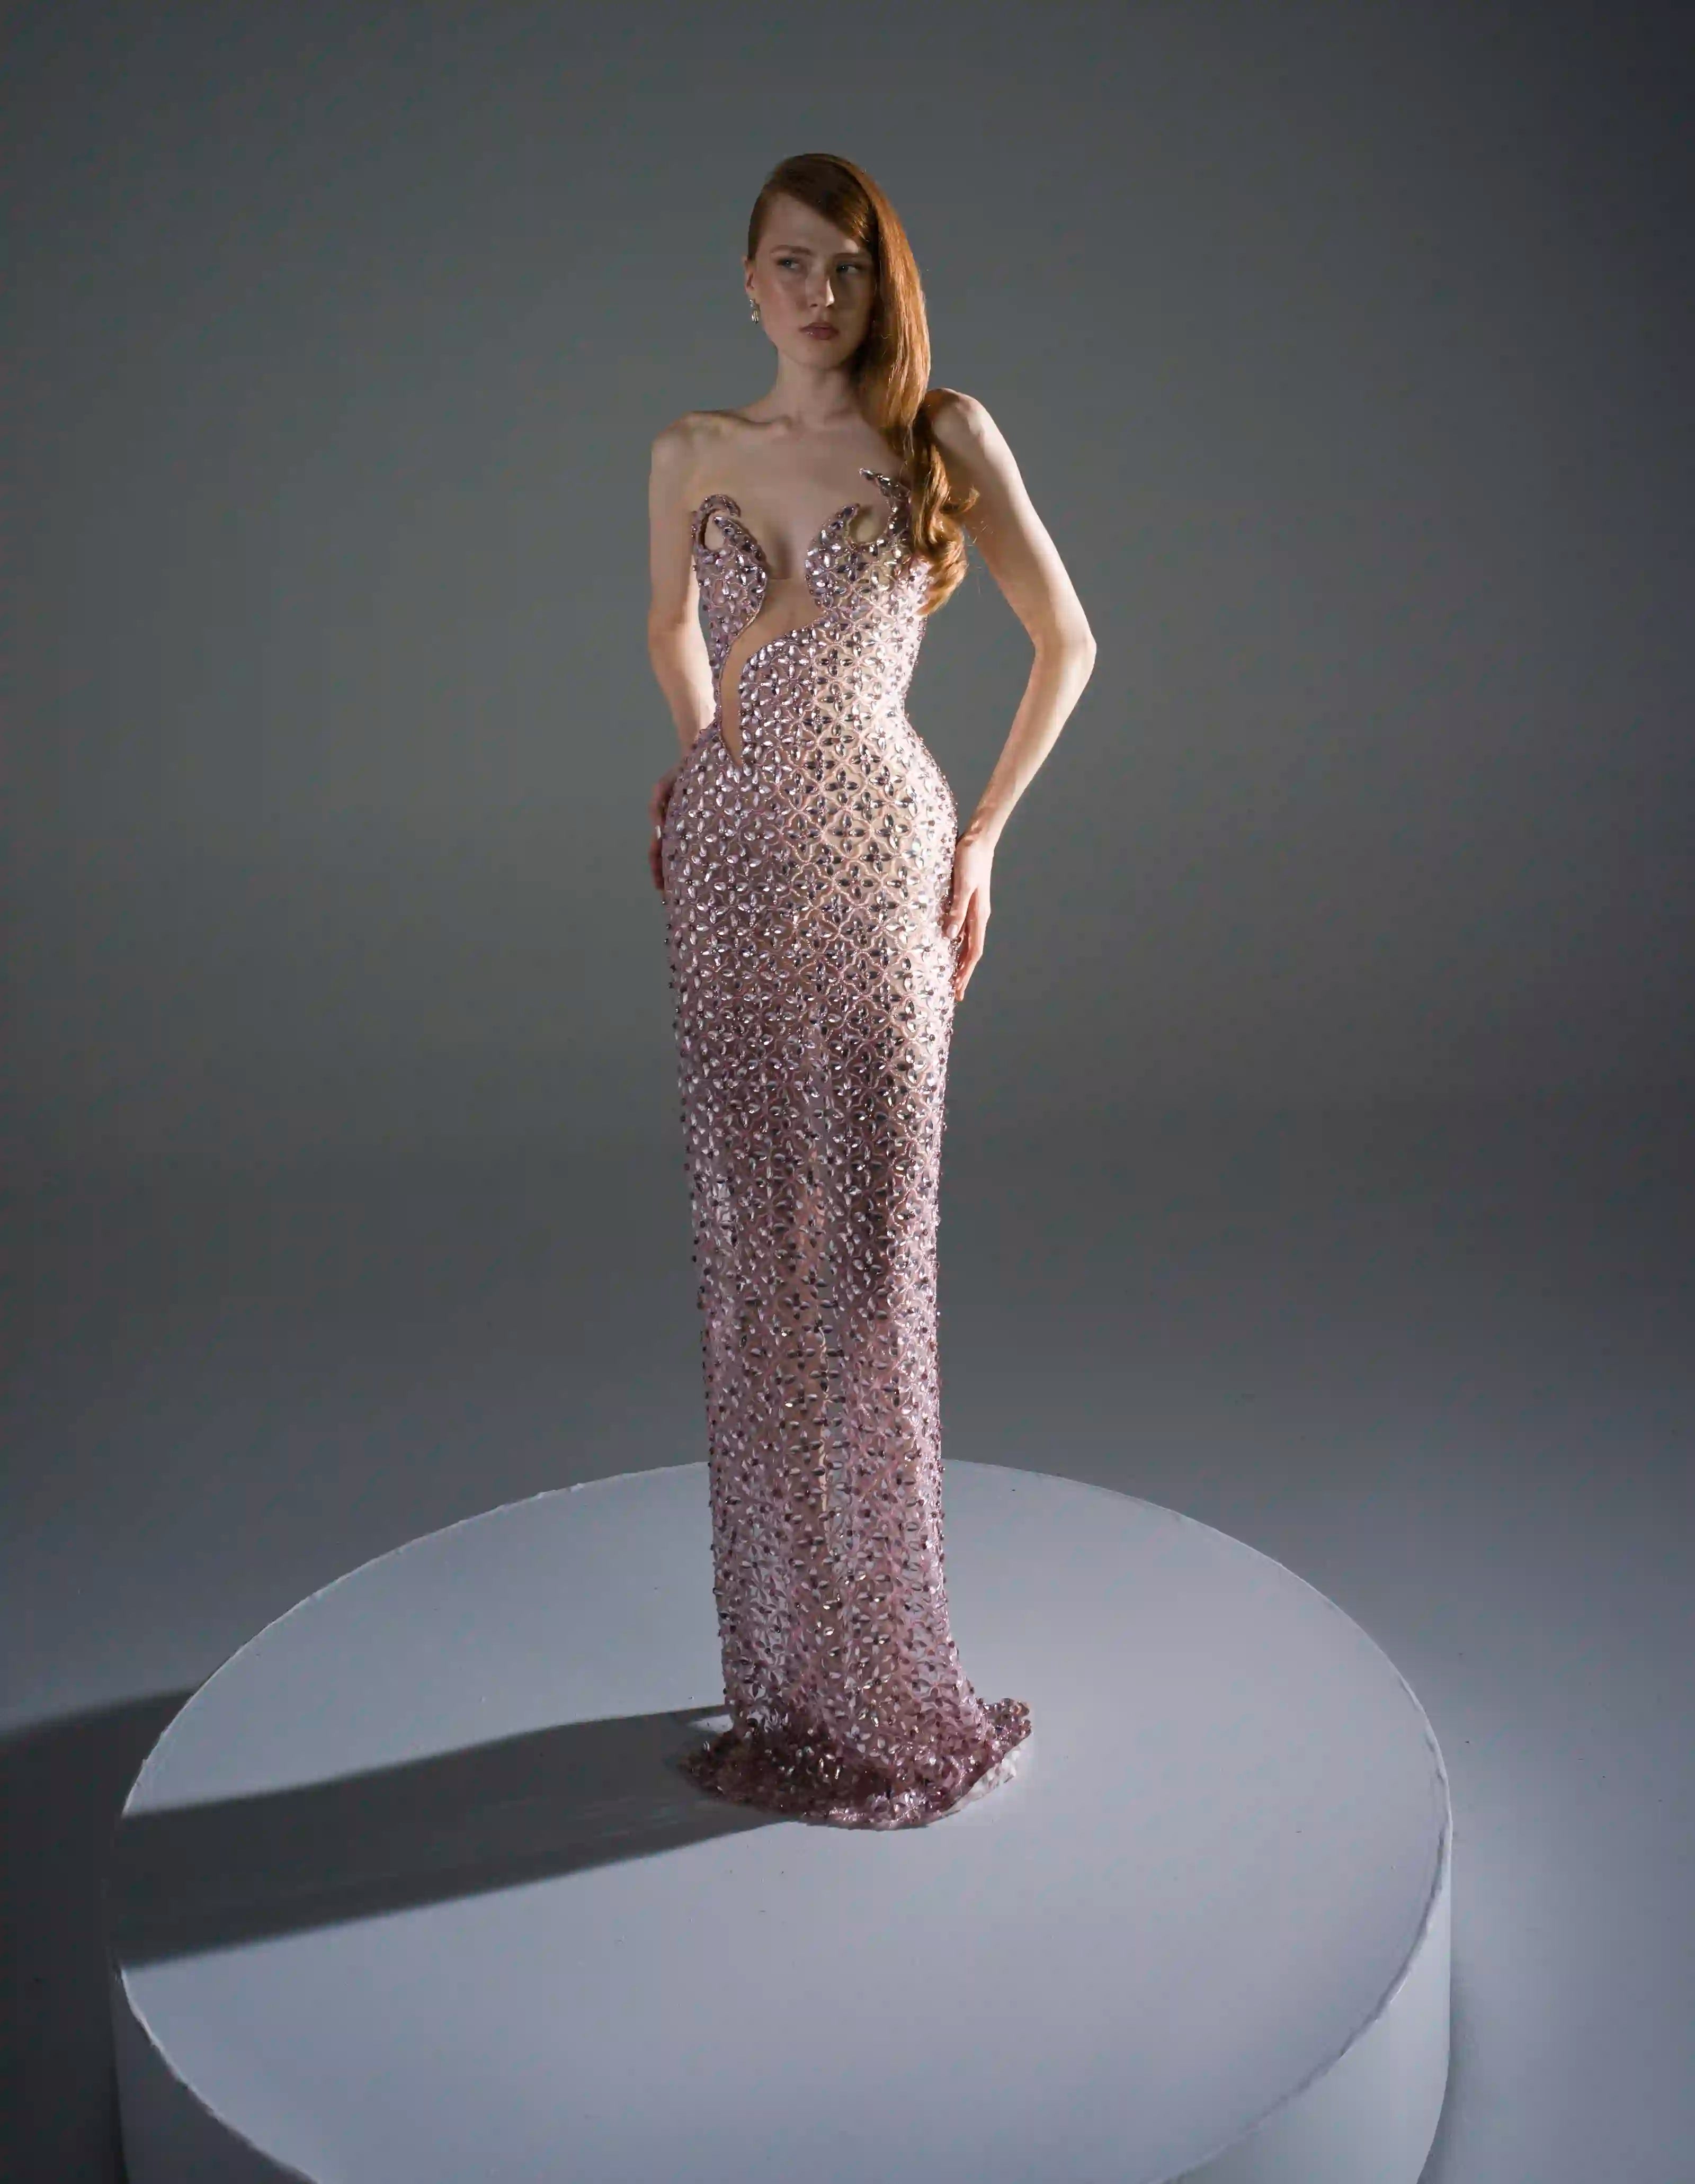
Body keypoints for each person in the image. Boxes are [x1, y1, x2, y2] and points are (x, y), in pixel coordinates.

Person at [645, 151, 1095, 1829]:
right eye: (789, 263)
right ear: (745, 282)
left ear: (876, 281)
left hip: (884, 853)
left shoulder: (940, 436)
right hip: (732, 873)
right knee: (755, 1259)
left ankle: (893, 1675)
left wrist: (982, 837)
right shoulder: (690, 451)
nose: (817, 293)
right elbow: (665, 629)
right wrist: (704, 762)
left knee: (875, 1252)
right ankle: (792, 1680)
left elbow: (1069, 641)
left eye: (845, 265)